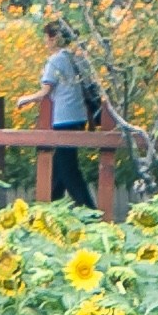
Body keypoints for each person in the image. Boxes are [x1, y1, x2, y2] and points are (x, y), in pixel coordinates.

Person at [36, 23, 108, 207]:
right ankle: (49, 210)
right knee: (60, 168)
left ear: (53, 38)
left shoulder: (55, 60)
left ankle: (90, 212)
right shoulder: (79, 59)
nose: (45, 42)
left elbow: (46, 90)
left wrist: (25, 99)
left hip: (62, 118)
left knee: (67, 169)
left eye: (47, 37)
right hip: (79, 116)